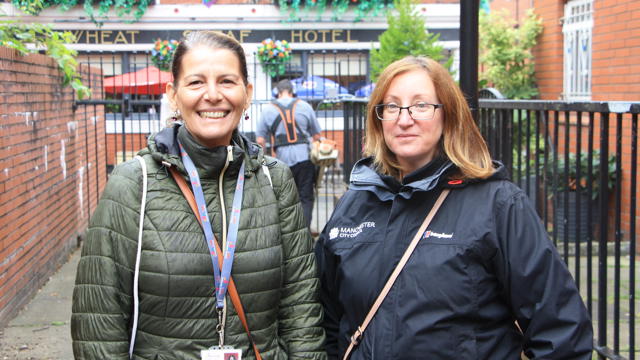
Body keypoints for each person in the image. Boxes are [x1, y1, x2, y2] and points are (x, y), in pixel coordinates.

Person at [315, 56, 593, 359]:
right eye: (391, 106)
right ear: (378, 119)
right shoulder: (355, 203)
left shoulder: (498, 205)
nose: (404, 119)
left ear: (448, 115)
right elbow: (327, 318)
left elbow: (560, 331)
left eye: (421, 105)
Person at [71, 30, 326, 360]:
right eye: (195, 83)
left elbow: (300, 305)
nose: (213, 95)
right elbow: (99, 319)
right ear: (173, 95)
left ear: (247, 93)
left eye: (226, 81)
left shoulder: (274, 179)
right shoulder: (135, 183)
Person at [256, 79, 322, 228]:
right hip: (305, 158)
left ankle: (289, 232)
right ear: (292, 91)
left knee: (285, 199)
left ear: (278, 92)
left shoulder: (267, 110)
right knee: (305, 197)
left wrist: (264, 160)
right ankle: (304, 232)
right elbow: (317, 136)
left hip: (281, 162)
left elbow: (260, 140)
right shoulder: (305, 106)